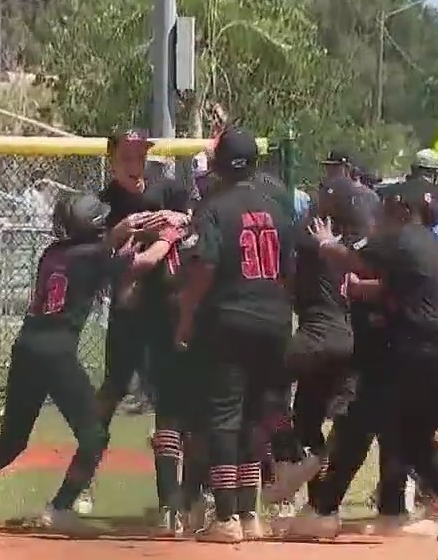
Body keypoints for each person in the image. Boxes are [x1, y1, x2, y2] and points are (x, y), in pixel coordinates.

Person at [287, 180, 438, 543]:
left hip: (423, 349)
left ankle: (322, 512)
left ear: (402, 207)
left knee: (360, 419)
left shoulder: (401, 236)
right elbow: (395, 287)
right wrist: (360, 289)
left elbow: (353, 260)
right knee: (414, 439)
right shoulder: (431, 246)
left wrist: (326, 243)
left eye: (385, 204)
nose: (379, 211)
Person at [0, 193, 152, 534]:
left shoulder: (53, 253)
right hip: (56, 352)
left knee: (12, 441)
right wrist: (167, 238)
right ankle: (60, 507)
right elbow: (137, 264)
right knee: (94, 435)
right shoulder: (93, 255)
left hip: (26, 346)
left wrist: (119, 236)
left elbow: (106, 251)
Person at [176, 127, 295, 543]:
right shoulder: (279, 209)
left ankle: (225, 517)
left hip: (229, 320)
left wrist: (187, 318)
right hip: (275, 321)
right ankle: (250, 516)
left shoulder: (213, 208)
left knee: (223, 417)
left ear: (221, 164)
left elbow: (203, 268)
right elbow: (288, 274)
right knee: (254, 418)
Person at [95, 129, 191, 527]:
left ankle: (170, 499)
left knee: (168, 400)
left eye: (141, 155)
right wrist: (121, 231)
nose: (136, 164)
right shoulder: (105, 202)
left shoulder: (168, 188)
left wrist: (175, 218)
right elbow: (93, 253)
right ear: (113, 159)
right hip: (128, 309)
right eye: (128, 156)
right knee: (113, 390)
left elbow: (196, 221)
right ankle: (80, 481)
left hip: (166, 306)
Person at [264, 176, 359, 508]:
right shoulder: (353, 242)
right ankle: (318, 507)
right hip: (348, 340)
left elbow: (285, 284)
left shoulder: (305, 236)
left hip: (316, 335)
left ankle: (291, 460)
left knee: (261, 384)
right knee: (308, 416)